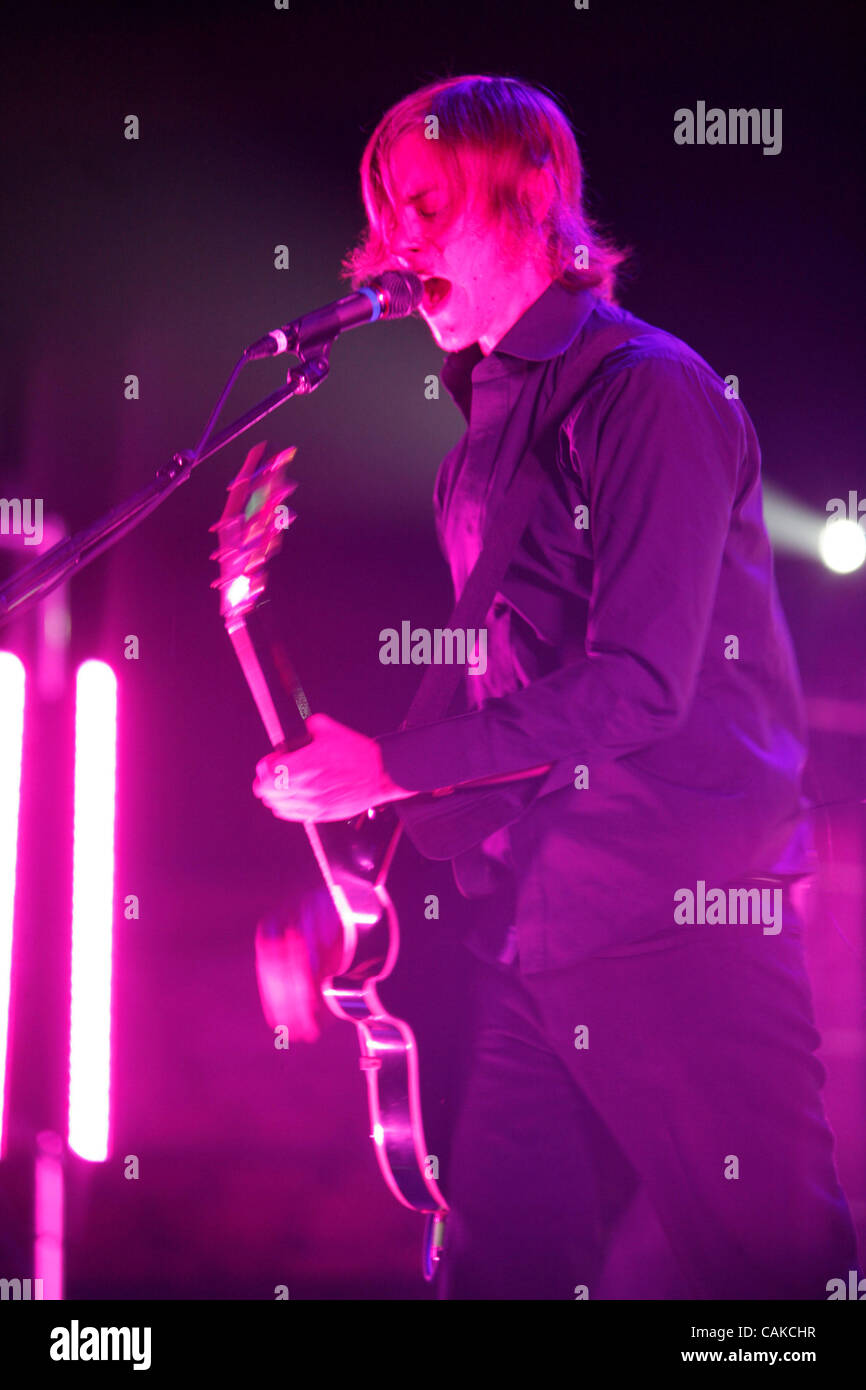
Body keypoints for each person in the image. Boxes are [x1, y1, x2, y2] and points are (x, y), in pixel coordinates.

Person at [252, 74, 858, 1299]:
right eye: (384, 215)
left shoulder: (645, 389)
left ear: (530, 199)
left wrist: (393, 769)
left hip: (679, 917)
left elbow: (635, 682)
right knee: (500, 1273)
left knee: (776, 1284)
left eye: (425, 206)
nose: (395, 245)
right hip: (542, 933)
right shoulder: (487, 436)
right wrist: (354, 876)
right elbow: (500, 698)